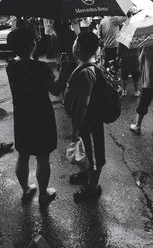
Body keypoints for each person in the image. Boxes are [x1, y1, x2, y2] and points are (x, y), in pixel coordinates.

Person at [6, 27, 68, 205]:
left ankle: (26, 189)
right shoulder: (40, 68)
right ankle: (43, 195)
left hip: (22, 116)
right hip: (41, 117)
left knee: (23, 155)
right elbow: (56, 90)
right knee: (42, 157)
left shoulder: (11, 65)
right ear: (32, 44)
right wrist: (63, 70)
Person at [69, 31, 105, 202]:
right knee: (86, 150)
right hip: (88, 122)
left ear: (80, 47)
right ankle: (86, 174)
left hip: (89, 123)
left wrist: (75, 127)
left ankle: (93, 188)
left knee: (94, 155)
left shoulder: (86, 72)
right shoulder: (84, 64)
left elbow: (83, 104)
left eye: (75, 41)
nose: (73, 44)